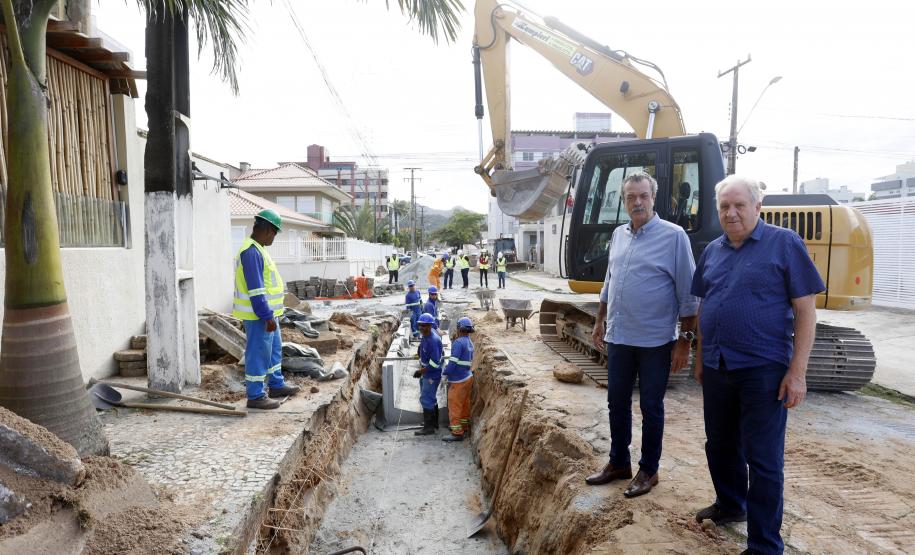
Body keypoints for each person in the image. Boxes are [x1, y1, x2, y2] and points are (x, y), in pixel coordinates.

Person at [691, 175, 824, 555]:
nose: (731, 213)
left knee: (763, 459)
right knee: (719, 444)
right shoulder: (712, 250)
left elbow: (805, 311)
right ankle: (731, 503)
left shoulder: (784, 243)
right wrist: (700, 357)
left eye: (739, 205)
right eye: (724, 207)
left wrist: (797, 372)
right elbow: (705, 305)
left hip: (764, 369)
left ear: (757, 207)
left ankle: (764, 545)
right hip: (718, 364)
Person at [585, 172, 699, 499]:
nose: (637, 202)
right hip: (619, 337)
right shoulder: (618, 234)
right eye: (631, 197)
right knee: (616, 403)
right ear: (624, 201)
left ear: (654, 198)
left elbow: (689, 295)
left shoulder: (674, 236)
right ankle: (619, 462)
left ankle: (649, 469)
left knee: (651, 407)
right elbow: (610, 281)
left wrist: (684, 342)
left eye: (643, 196)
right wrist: (599, 320)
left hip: (655, 342)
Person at [232, 209, 301, 410]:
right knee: (258, 353)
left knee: (273, 351)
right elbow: (257, 291)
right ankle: (255, 396)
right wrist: (267, 316)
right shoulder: (251, 252)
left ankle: (276, 385)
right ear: (269, 231)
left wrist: (272, 315)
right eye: (275, 234)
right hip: (259, 316)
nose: (274, 238)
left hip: (268, 313)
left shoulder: (259, 249)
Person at [442, 317, 475, 442]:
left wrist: (445, 373)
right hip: (468, 377)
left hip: (458, 381)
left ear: (459, 329)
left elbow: (452, 363)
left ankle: (456, 432)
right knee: (465, 404)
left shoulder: (458, 343)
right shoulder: (470, 342)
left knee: (454, 406)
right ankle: (464, 427)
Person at [413, 313, 444, 436]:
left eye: (425, 325)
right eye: (420, 325)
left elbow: (435, 363)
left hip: (431, 375)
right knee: (430, 398)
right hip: (426, 372)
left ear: (430, 326)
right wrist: (420, 350)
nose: (422, 328)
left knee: (426, 399)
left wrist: (421, 371)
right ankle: (433, 423)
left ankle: (429, 427)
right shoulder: (425, 336)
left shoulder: (433, 340)